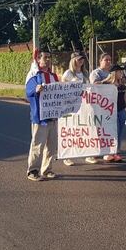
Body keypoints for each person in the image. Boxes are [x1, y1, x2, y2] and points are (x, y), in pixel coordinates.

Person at [25, 52, 60, 181]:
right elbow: (28, 92)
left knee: (51, 145)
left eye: (49, 57)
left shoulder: (53, 76)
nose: (48, 59)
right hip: (40, 117)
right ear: (38, 60)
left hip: (53, 117)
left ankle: (47, 169)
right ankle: (33, 170)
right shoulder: (35, 76)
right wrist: (36, 89)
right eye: (45, 57)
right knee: (38, 145)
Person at [61, 52, 97, 165]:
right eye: (79, 59)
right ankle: (68, 156)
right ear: (73, 60)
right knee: (73, 131)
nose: (81, 61)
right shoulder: (68, 74)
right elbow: (62, 89)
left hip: (85, 106)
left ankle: (88, 154)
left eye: (82, 59)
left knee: (86, 130)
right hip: (72, 107)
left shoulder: (85, 73)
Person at [101, 64, 126, 162]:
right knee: (112, 132)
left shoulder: (122, 84)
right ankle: (108, 153)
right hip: (110, 112)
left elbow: (125, 99)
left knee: (119, 132)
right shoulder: (105, 84)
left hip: (121, 111)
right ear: (114, 73)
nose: (121, 74)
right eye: (119, 72)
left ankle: (115, 152)